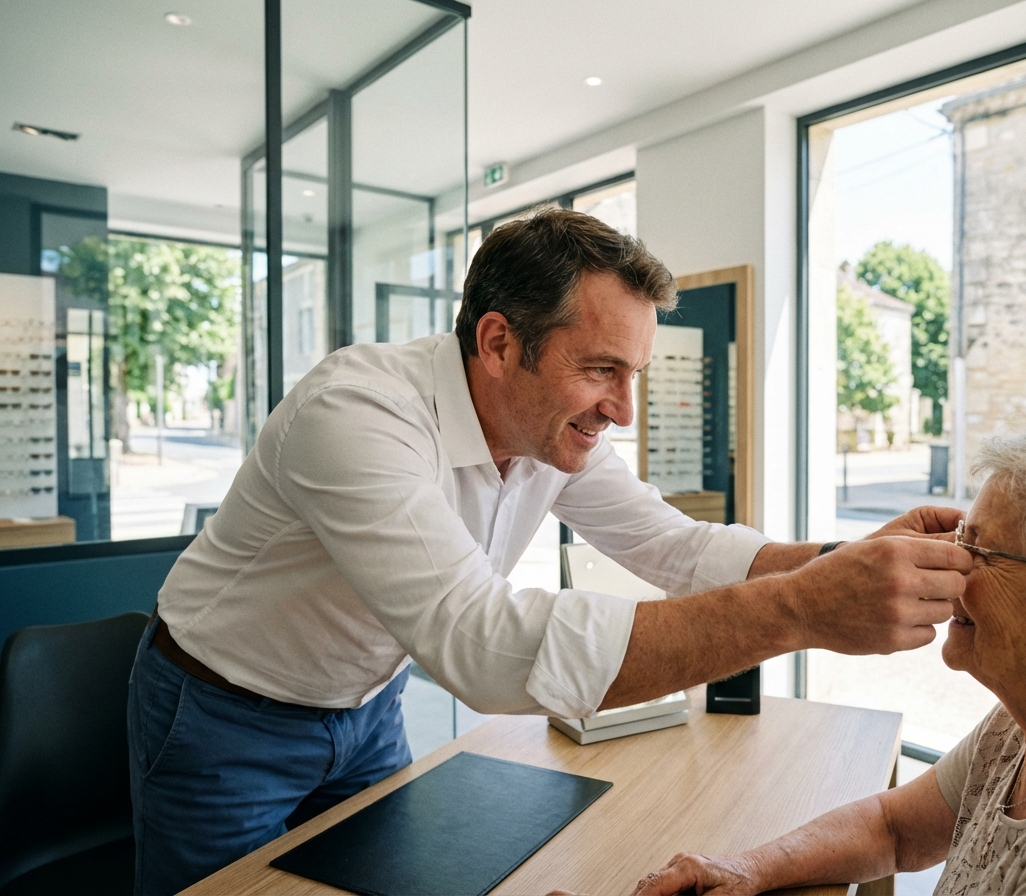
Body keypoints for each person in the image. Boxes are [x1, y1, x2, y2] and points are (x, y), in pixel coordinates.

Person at [127, 208, 971, 895]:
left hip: (366, 709)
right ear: (498, 343)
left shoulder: (547, 432)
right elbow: (481, 647)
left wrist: (846, 557)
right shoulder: (356, 412)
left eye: (633, 373)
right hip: (222, 711)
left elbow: (676, 547)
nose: (625, 411)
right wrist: (806, 607)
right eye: (603, 369)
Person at [631, 415, 1026, 896]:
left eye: (981, 552)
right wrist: (745, 869)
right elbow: (893, 829)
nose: (945, 567)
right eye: (959, 541)